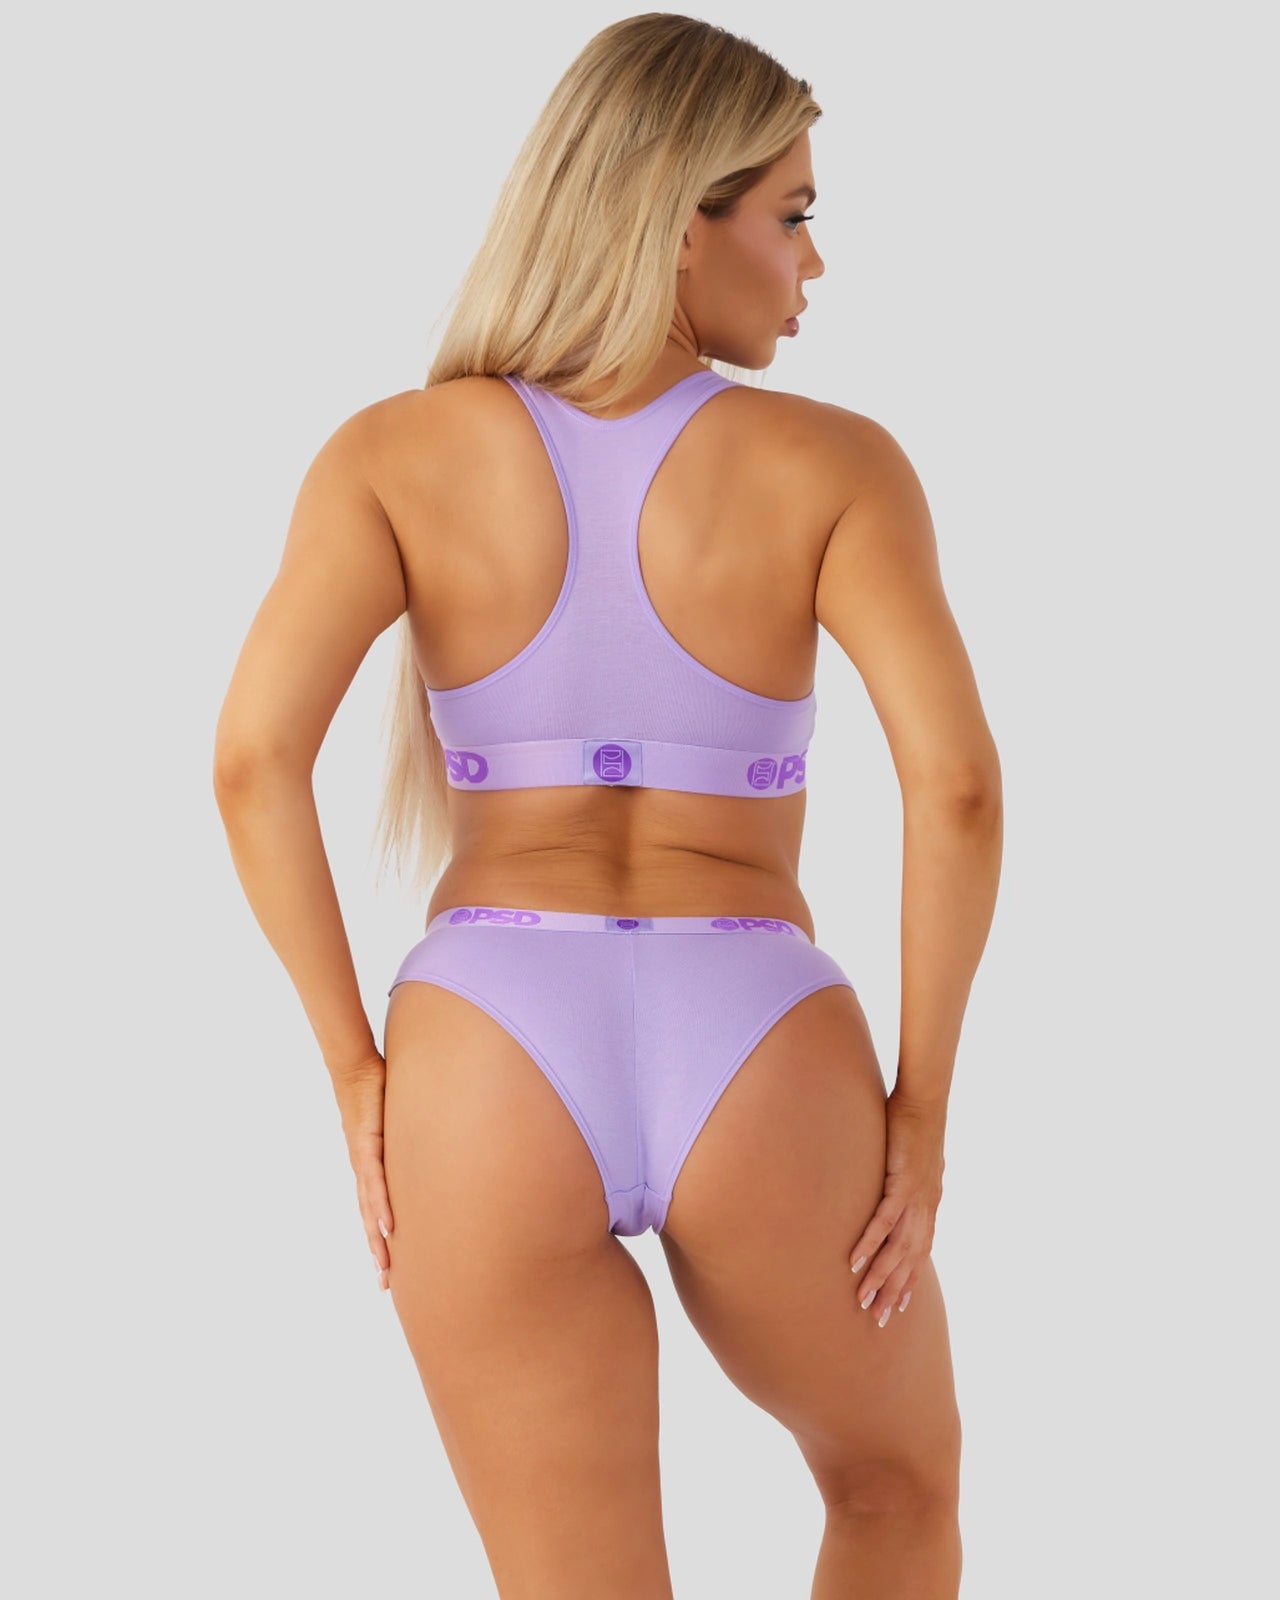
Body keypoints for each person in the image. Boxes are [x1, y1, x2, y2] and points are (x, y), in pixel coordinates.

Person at [213, 14, 1002, 1598]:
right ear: (679, 222)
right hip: (758, 1031)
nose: (814, 263)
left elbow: (250, 761)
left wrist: (357, 1072)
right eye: (792, 214)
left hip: (486, 1046)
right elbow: (960, 789)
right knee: (895, 1489)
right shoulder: (838, 467)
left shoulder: (394, 454)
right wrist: (920, 1114)